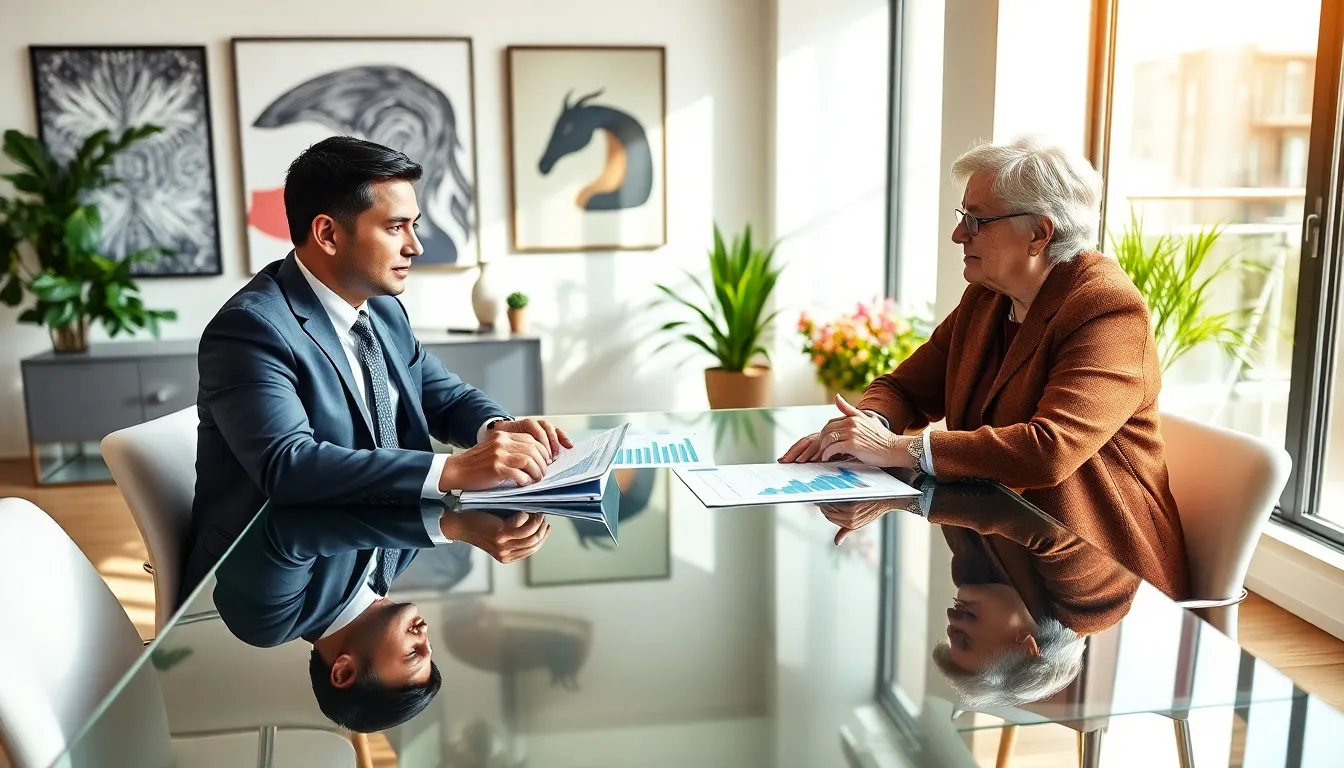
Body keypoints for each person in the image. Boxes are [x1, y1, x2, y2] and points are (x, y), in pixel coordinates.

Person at [782, 135, 1190, 600]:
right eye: (963, 218)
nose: (959, 234)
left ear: (1039, 233)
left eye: (977, 221)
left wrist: (900, 449)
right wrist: (867, 427)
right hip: (1001, 541)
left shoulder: (1106, 309)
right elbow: (905, 388)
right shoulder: (988, 297)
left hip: (1094, 570)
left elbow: (1048, 451)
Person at [183, 136, 571, 601]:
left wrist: (498, 429)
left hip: (370, 541)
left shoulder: (381, 311)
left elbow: (443, 395)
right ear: (328, 233)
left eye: (415, 225)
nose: (416, 246)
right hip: (270, 570)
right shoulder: (251, 328)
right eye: (396, 227)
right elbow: (289, 467)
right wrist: (451, 470)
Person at [213, 500, 549, 732]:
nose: (425, 636)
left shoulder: (272, 620)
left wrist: (449, 526)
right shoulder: (398, 559)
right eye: (428, 650)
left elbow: (286, 527)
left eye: (413, 653)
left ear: (343, 670)